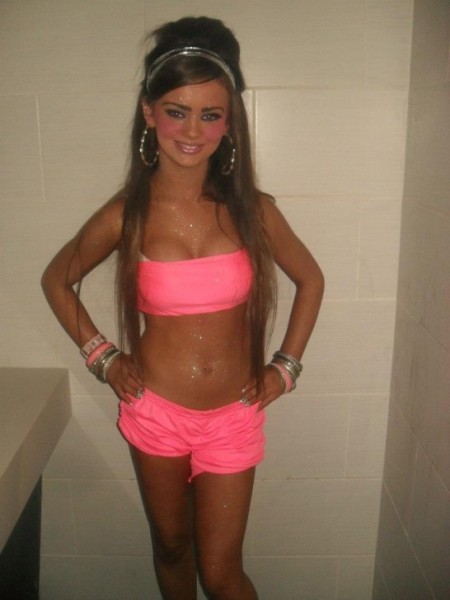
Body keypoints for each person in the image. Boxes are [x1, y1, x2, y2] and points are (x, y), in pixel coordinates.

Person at [41, 16, 324, 600]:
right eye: (177, 111)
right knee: (171, 547)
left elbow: (311, 279)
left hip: (233, 415)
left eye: (211, 114)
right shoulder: (128, 213)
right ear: (149, 112)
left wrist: (285, 368)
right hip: (156, 411)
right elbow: (57, 280)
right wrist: (103, 357)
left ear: (230, 121)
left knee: (221, 574)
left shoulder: (254, 210)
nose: (193, 130)